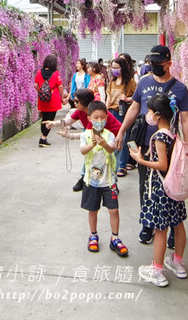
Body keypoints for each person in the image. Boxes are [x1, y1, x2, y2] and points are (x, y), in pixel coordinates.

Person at [115, 45, 188, 247]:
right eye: (151, 63)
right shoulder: (144, 82)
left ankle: (175, 229)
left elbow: (185, 120)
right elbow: (135, 107)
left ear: (169, 63)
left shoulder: (180, 89)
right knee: (146, 187)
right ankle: (148, 224)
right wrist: (122, 131)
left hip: (170, 148)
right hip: (145, 144)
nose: (154, 66)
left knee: (172, 188)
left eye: (158, 63)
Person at [128, 93, 187, 287]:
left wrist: (140, 160)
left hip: (161, 189)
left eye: (151, 112)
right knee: (177, 223)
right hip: (174, 187)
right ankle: (177, 262)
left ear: (158, 115)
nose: (148, 115)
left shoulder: (160, 136)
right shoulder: (173, 133)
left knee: (161, 229)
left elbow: (162, 165)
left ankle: (158, 270)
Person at [62, 101, 129, 258]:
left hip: (109, 181)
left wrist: (104, 143)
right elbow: (82, 151)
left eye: (103, 117)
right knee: (93, 210)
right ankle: (93, 235)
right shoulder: (86, 135)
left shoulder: (110, 135)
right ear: (89, 118)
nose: (100, 120)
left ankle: (115, 238)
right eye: (96, 117)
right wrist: (92, 144)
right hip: (91, 181)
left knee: (114, 210)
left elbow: (112, 148)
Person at [46, 88, 122, 191]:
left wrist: (69, 136)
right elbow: (68, 121)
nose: (74, 103)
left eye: (77, 101)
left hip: (115, 136)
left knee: (111, 162)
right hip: (99, 138)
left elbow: (86, 135)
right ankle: (84, 178)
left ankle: (112, 184)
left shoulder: (95, 117)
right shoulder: (81, 111)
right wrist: (53, 123)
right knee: (91, 156)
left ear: (84, 102)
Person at [105, 56, 137, 177]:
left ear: (122, 68)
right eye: (112, 67)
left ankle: (122, 165)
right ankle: (114, 163)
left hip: (122, 113)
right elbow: (108, 98)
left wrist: (127, 98)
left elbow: (137, 97)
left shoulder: (130, 82)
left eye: (116, 68)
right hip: (111, 113)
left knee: (122, 139)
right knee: (111, 139)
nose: (114, 70)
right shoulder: (112, 82)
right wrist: (105, 110)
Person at [35, 54, 63, 147]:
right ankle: (43, 138)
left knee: (44, 118)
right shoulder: (55, 73)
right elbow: (60, 86)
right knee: (50, 119)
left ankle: (43, 136)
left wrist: (40, 92)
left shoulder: (39, 72)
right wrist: (62, 96)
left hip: (42, 99)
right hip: (52, 99)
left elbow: (35, 85)